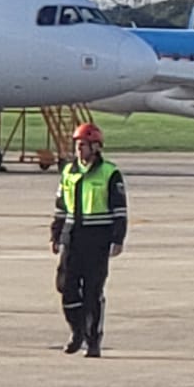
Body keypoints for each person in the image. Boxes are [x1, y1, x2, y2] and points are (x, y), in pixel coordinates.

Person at [51, 122, 127, 358]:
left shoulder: (110, 173)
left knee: (93, 290)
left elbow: (120, 210)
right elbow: (61, 207)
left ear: (96, 147)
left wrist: (118, 238)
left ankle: (93, 339)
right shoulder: (69, 172)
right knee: (66, 287)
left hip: (97, 238)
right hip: (73, 236)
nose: (79, 149)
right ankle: (77, 331)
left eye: (83, 145)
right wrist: (56, 234)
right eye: (77, 145)